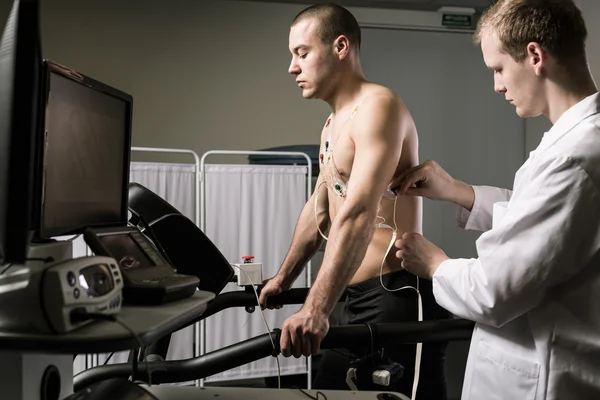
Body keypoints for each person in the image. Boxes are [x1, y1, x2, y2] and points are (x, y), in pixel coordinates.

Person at [390, 1, 600, 399]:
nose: (497, 85)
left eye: (498, 69)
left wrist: (434, 265)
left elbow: (493, 291)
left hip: (544, 377)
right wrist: (457, 191)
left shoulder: (575, 157)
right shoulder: (580, 142)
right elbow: (544, 224)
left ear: (535, 56)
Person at [258, 3, 449, 399]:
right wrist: (284, 278)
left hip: (394, 292)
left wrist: (315, 309)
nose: (292, 67)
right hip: (348, 295)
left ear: (340, 46)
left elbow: (359, 212)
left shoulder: (379, 107)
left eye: (302, 52)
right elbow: (321, 210)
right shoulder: (331, 124)